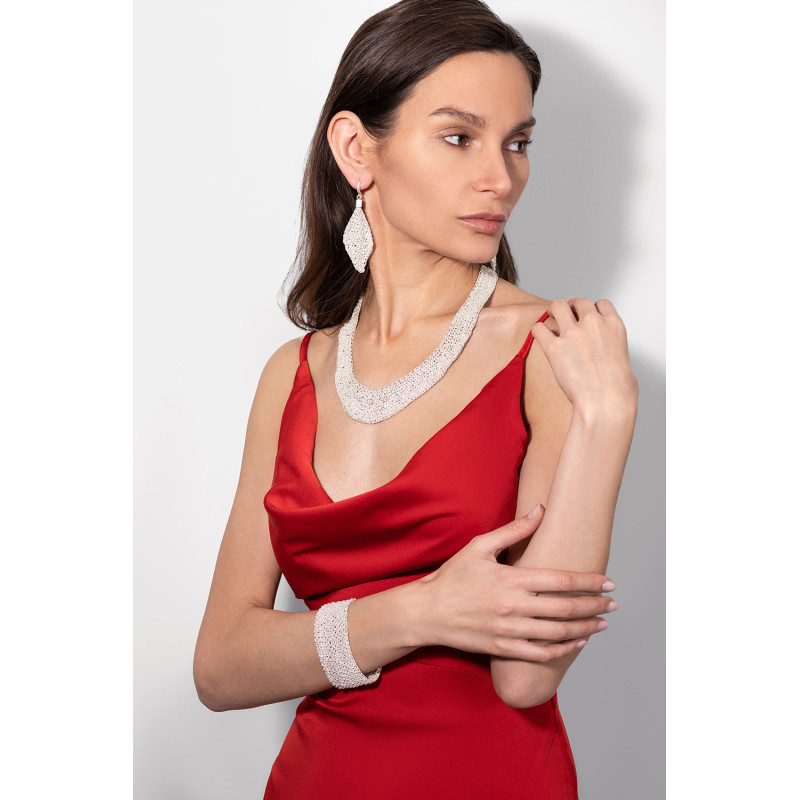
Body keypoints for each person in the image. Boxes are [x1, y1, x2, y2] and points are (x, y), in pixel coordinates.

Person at [193, 0, 638, 797]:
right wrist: (421, 611)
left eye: (518, 143)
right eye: (459, 137)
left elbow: (527, 677)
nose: (501, 178)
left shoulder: (556, 350)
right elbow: (221, 667)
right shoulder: (292, 373)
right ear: (356, 148)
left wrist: (608, 418)